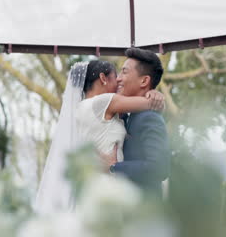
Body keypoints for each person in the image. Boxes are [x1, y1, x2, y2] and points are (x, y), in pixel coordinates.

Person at [35, 59, 165, 214]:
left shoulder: (85, 108)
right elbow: (151, 104)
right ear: (103, 78)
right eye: (116, 75)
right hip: (109, 186)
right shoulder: (103, 102)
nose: (118, 81)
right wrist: (156, 96)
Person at [100, 48, 171, 198]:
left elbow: (160, 168)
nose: (118, 78)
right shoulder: (126, 115)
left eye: (124, 72)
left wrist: (114, 168)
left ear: (144, 81)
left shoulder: (150, 118)